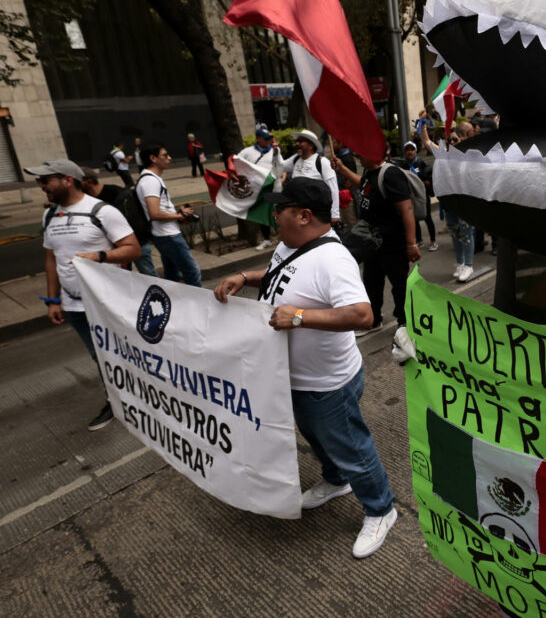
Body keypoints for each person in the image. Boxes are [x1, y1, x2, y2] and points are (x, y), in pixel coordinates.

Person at [213, 177, 398, 555]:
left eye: (280, 209)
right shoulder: (289, 245)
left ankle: (381, 508)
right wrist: (245, 277)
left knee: (351, 447)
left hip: (328, 383)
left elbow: (362, 315)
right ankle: (334, 480)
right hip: (294, 377)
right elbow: (281, 278)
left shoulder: (333, 259)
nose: (274, 215)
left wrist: (298, 317)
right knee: (316, 436)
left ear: (303, 215)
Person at [26, 159, 141, 430]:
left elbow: (133, 249)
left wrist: (100, 256)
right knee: (99, 356)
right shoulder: (49, 215)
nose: (41, 186)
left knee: (127, 352)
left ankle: (147, 396)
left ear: (68, 180)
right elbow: (51, 259)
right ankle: (116, 400)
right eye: (39, 181)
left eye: (46, 180)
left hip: (107, 303)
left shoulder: (102, 211)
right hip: (74, 305)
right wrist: (53, 300)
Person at [333, 144, 421, 335]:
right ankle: (373, 320)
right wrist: (342, 169)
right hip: (372, 242)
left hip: (393, 243)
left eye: (362, 154)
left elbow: (407, 208)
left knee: (399, 284)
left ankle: (405, 323)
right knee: (371, 282)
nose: (358, 157)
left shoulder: (390, 174)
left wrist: (411, 243)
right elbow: (363, 185)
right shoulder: (369, 172)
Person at [137, 143, 202, 287]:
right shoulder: (150, 181)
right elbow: (154, 213)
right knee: (192, 272)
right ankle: (197, 300)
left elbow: (159, 208)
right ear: (153, 158)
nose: (169, 158)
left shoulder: (152, 178)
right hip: (167, 235)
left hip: (164, 234)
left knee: (172, 274)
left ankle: (173, 300)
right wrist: (179, 216)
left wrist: (178, 214)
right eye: (165, 155)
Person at [421, 127, 475, 280]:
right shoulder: (444, 154)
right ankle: (460, 263)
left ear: (462, 139)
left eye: (455, 139)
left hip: (465, 202)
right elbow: (426, 141)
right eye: (449, 140)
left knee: (466, 234)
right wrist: (423, 124)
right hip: (449, 202)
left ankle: (469, 265)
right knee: (455, 233)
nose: (451, 142)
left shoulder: (470, 155)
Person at [237, 125, 284, 250]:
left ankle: (282, 237)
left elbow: (281, 165)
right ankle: (267, 239)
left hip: (273, 187)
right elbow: (236, 162)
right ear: (258, 138)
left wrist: (276, 152)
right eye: (265, 138)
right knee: (262, 213)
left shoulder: (274, 150)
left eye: (269, 138)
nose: (268, 141)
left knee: (277, 211)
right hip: (257, 189)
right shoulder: (247, 152)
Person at [282, 129, 340, 225]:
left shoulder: (322, 162)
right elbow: (280, 167)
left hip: (315, 213)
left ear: (311, 145)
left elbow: (333, 188)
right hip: (297, 211)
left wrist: (334, 214)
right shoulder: (296, 159)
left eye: (301, 141)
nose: (297, 144)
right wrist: (276, 153)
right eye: (297, 141)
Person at [398, 140, 436, 251]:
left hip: (422, 196)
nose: (410, 152)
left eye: (412, 149)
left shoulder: (421, 163)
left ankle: (433, 241)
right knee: (414, 218)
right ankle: (419, 240)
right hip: (410, 196)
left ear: (415, 151)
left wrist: (425, 182)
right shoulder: (403, 165)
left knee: (427, 217)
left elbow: (428, 178)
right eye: (407, 150)